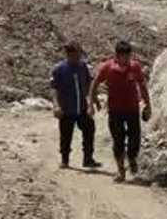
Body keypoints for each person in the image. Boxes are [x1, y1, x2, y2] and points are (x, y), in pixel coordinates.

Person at [91, 39, 151, 182]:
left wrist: (148, 105)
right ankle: (120, 170)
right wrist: (92, 101)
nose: (126, 59)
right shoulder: (108, 68)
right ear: (116, 56)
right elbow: (95, 83)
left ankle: (132, 158)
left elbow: (142, 86)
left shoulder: (135, 67)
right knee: (118, 140)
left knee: (135, 139)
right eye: (123, 56)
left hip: (132, 109)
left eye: (128, 56)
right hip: (115, 110)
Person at [50, 42, 96, 169]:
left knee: (89, 129)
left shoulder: (83, 67)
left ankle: (88, 158)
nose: (77, 57)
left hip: (81, 107)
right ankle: (65, 160)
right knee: (65, 135)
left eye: (79, 54)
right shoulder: (59, 69)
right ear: (69, 55)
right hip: (66, 108)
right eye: (75, 55)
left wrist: (92, 103)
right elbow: (54, 88)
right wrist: (56, 105)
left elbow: (89, 85)